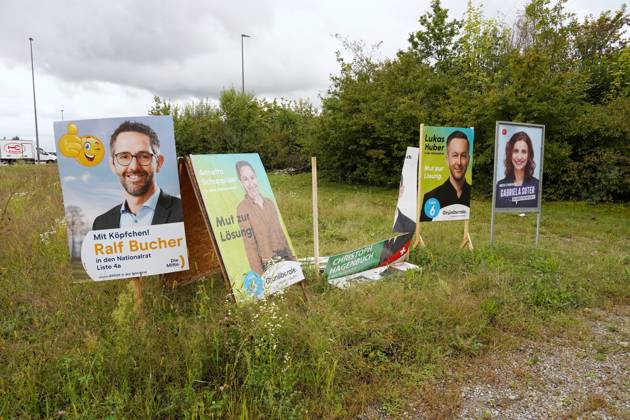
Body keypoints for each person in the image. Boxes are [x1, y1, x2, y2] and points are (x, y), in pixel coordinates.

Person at [92, 121, 183, 230]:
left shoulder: (185, 212)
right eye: (124, 157)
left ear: (159, 163)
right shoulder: (101, 224)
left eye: (144, 156)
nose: (134, 167)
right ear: (113, 165)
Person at [235, 160, 296, 275]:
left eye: (252, 177)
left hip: (284, 255)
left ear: (256, 177)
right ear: (241, 183)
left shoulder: (269, 203)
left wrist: (292, 259)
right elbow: (250, 245)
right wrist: (260, 275)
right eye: (245, 179)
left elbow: (281, 233)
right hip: (268, 262)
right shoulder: (242, 208)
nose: (251, 183)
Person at [420, 130, 471, 221]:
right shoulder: (431, 197)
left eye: (463, 156)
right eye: (455, 155)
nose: (459, 162)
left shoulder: (471, 195)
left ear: (468, 159)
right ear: (447, 160)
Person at [495, 131, 540, 208]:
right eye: (515, 151)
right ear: (510, 154)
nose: (519, 157)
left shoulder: (536, 185)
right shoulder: (500, 185)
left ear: (529, 155)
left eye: (524, 152)